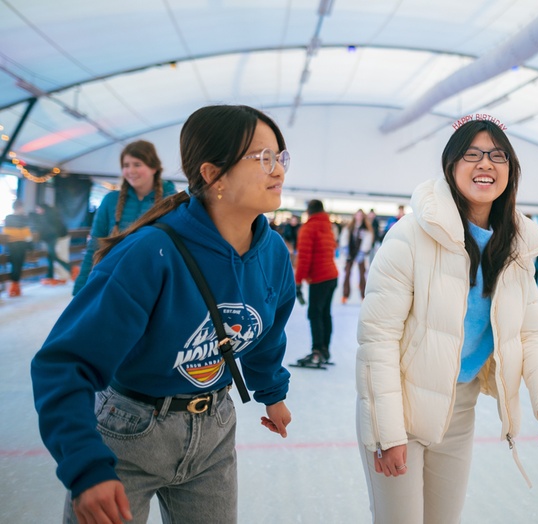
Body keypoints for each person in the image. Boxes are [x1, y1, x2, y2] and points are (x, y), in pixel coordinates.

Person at [31, 105, 296, 524]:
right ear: (213, 174)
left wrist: (272, 391)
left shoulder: (274, 254)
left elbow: (268, 332)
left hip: (214, 431)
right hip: (129, 434)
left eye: (280, 156)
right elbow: (65, 364)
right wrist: (85, 464)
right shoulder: (149, 254)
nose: (278, 169)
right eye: (262, 157)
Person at [355, 116, 538, 524]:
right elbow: (378, 339)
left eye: (497, 155)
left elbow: (531, 332)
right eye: (471, 154)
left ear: (511, 170)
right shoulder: (410, 236)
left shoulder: (516, 248)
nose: (485, 164)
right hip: (401, 406)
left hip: (460, 408)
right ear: (451, 167)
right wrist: (388, 431)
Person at [73, 140, 176, 295]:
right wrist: (81, 287)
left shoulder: (171, 201)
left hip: (153, 284)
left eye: (137, 164)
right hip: (114, 281)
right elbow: (95, 246)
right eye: (126, 165)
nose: (130, 170)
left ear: (154, 167)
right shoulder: (110, 201)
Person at [293, 199, 339, 366]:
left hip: (320, 278)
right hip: (332, 276)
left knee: (314, 313)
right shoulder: (328, 226)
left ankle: (316, 352)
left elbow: (304, 258)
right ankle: (324, 351)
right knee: (325, 313)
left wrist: (298, 282)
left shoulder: (308, 228)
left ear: (309, 211)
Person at [31, 204, 73, 285]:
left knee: (55, 256)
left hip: (58, 237)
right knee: (52, 256)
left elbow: (49, 229)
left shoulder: (48, 216)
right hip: (56, 237)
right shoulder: (50, 214)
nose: (37, 211)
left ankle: (68, 270)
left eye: (38, 209)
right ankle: (51, 276)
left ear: (42, 208)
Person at [339, 208, 374, 304]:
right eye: (357, 215)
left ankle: (363, 296)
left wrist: (362, 252)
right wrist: (345, 249)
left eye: (361, 215)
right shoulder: (349, 227)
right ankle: (345, 295)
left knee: (362, 275)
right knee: (347, 274)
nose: (359, 217)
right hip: (349, 253)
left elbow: (368, 240)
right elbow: (344, 238)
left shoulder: (366, 229)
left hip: (360, 254)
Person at [2, 200, 32, 297]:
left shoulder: (23, 218)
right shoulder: (9, 218)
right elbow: (7, 231)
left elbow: (27, 232)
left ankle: (16, 285)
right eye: (21, 207)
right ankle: (14, 286)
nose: (23, 209)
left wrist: (29, 243)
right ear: (18, 208)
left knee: (19, 264)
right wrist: (21, 234)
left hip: (20, 244)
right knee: (15, 264)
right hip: (13, 244)